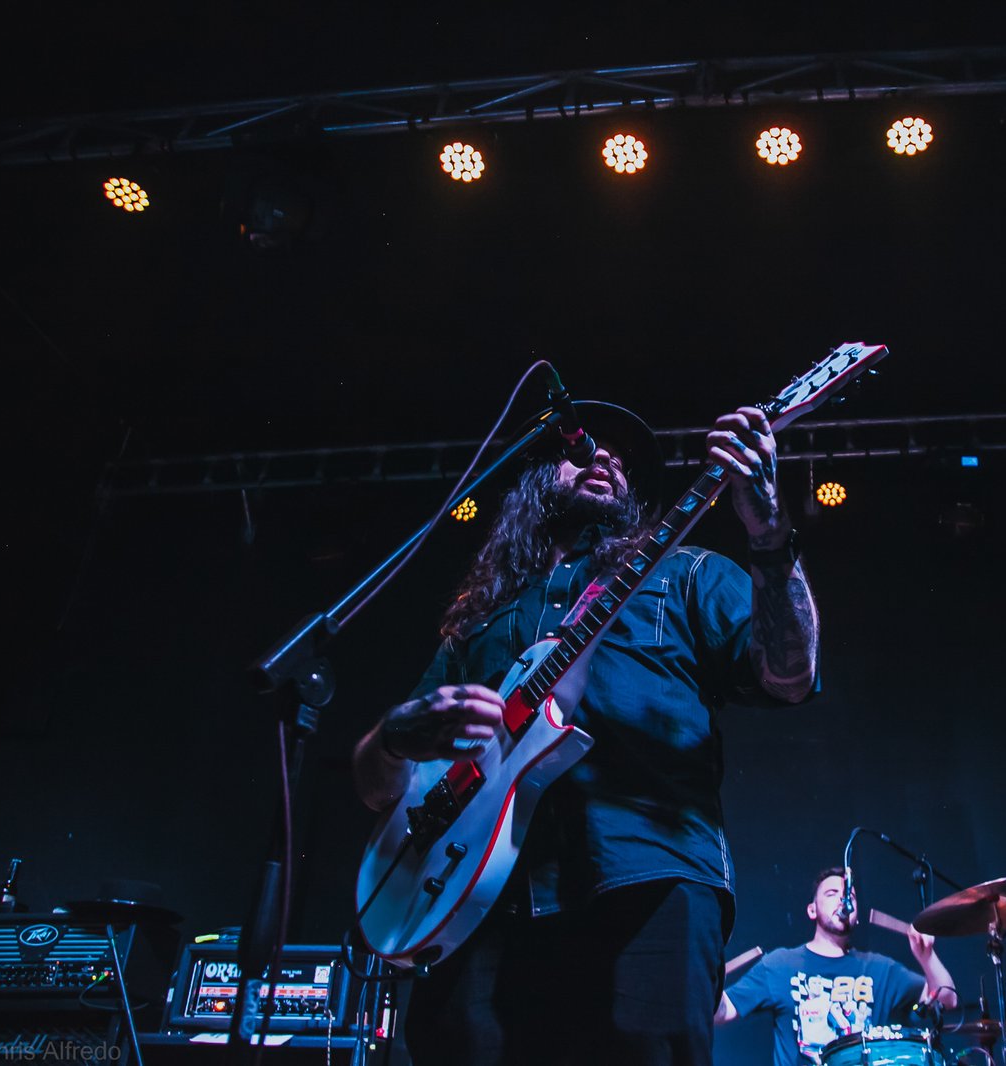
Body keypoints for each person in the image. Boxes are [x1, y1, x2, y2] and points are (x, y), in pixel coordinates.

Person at [351, 400, 820, 1066]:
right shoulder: (480, 617)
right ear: (536, 475)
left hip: (645, 881)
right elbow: (378, 789)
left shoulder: (683, 571)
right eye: (585, 448)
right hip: (473, 906)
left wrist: (769, 532)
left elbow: (791, 676)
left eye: (624, 458)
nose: (606, 458)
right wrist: (392, 737)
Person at [717, 867, 959, 1066]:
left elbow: (947, 999)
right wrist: (707, 973)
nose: (843, 900)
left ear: (856, 915)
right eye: (832, 893)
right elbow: (722, 1012)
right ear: (812, 910)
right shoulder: (780, 965)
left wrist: (927, 956)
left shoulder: (880, 969)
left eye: (849, 896)